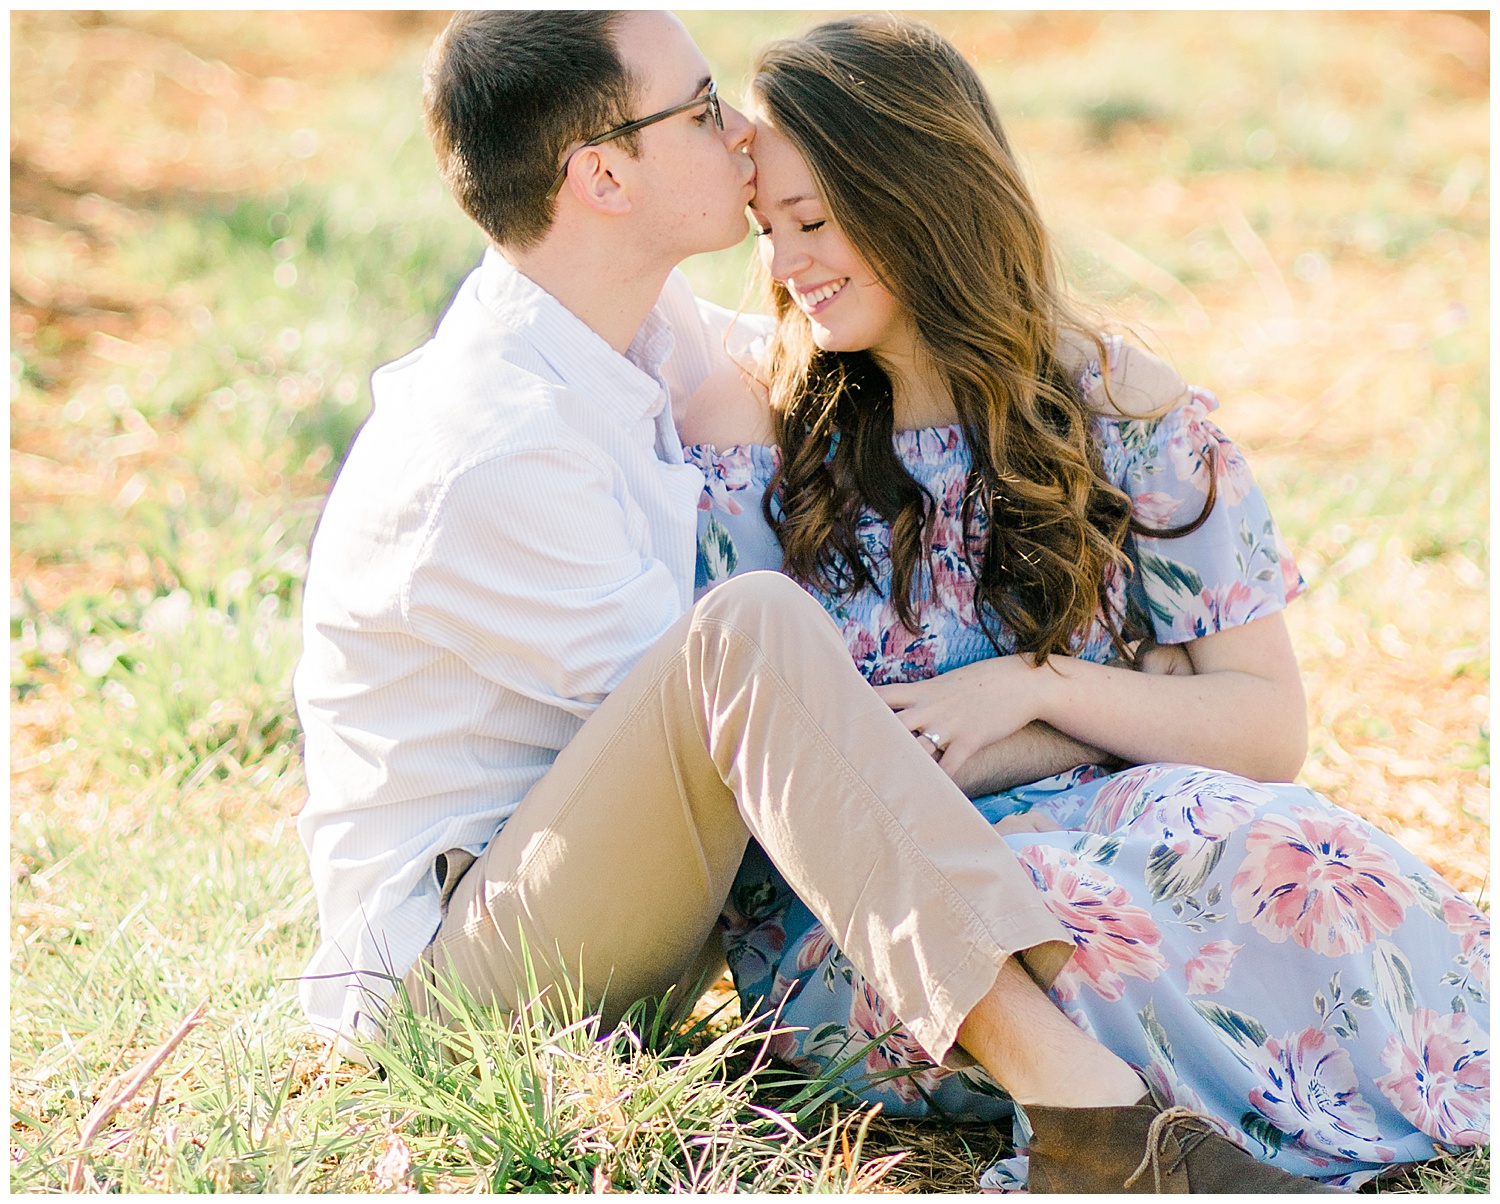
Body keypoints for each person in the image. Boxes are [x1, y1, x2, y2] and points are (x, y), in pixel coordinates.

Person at [292, 9, 1330, 1194]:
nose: (740, 134)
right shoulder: (497, 446)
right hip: (462, 977)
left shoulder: (627, 335)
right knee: (752, 633)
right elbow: (786, 752)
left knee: (759, 638)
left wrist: (1094, 383)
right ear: (602, 173)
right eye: (698, 107)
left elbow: (902, 341)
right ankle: (1083, 1110)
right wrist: (1080, 708)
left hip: (599, 905)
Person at [678, 13, 1490, 1193]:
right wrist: (1132, 701)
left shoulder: (1122, 407)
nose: (785, 264)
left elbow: (1265, 730)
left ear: (924, 197)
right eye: (767, 229)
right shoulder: (754, 427)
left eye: (813, 221)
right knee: (1092, 924)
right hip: (900, 914)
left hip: (1127, 821)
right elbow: (820, 761)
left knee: (1296, 853)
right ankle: (1133, 1139)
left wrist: (1033, 687)